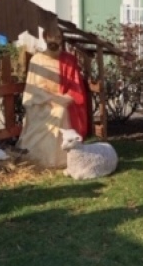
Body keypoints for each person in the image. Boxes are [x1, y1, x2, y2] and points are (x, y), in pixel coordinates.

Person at [16, 24, 89, 169]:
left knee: (60, 112)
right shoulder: (37, 59)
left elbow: (75, 87)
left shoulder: (69, 60)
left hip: (62, 101)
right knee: (40, 115)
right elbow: (32, 88)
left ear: (62, 39)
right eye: (51, 36)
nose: (54, 40)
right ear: (45, 37)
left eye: (58, 37)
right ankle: (37, 157)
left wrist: (63, 99)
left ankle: (58, 160)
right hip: (41, 102)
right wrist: (47, 98)